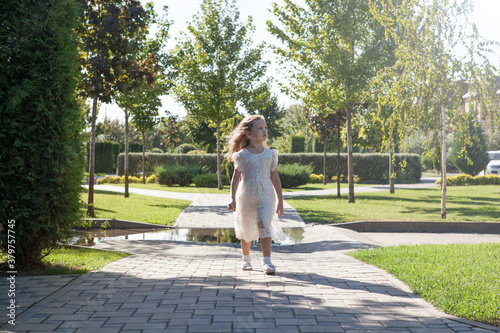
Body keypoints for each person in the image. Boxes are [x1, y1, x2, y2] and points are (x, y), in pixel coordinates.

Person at [226, 115, 286, 275]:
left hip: (266, 195)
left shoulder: (270, 154)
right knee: (246, 226)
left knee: (263, 223)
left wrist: (281, 201)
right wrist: (232, 198)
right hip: (246, 195)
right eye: (259, 128)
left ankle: (267, 261)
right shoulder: (242, 155)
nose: (264, 130)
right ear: (249, 134)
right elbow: (235, 178)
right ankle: (246, 259)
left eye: (265, 127)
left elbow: (275, 177)